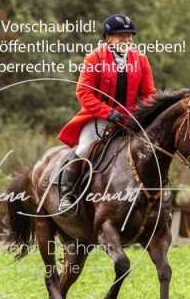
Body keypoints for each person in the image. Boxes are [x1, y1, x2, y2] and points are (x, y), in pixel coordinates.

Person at [56, 14, 157, 214]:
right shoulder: (94, 58)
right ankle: (67, 195)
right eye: (121, 36)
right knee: (84, 149)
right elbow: (83, 92)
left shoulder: (141, 60)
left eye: (129, 36)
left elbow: (149, 94)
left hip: (130, 120)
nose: (126, 40)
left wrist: (141, 114)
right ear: (108, 38)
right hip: (99, 119)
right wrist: (108, 113)